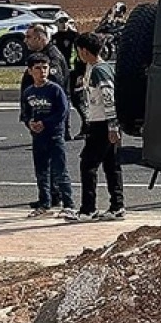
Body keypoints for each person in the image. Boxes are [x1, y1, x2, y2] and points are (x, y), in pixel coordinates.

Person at [68, 32, 124, 221]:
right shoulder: (97, 68)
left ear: (84, 50)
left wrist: (112, 125)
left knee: (88, 164)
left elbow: (108, 96)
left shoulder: (99, 70)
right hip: (104, 123)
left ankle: (88, 209)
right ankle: (117, 206)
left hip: (102, 124)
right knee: (111, 165)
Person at [21, 53, 74, 219]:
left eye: (45, 68)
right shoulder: (29, 92)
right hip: (38, 138)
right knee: (41, 171)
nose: (42, 71)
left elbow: (62, 112)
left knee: (60, 170)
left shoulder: (55, 90)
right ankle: (44, 203)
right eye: (37, 68)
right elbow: (25, 112)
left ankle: (68, 204)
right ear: (30, 71)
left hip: (54, 135)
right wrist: (30, 123)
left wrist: (46, 123)